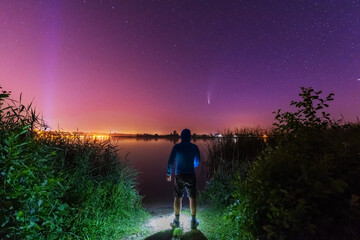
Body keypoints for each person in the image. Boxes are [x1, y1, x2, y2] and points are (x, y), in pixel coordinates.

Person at [166, 128, 200, 229]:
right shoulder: (195, 147)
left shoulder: (176, 147)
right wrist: (191, 163)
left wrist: (168, 173)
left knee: (178, 197)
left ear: (181, 137)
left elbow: (171, 161)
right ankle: (193, 221)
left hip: (179, 174)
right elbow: (197, 163)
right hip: (191, 174)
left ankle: (176, 221)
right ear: (189, 137)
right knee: (192, 197)